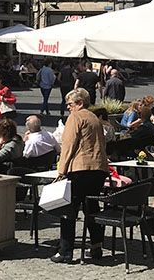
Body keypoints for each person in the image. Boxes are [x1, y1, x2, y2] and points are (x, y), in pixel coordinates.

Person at [54, 88, 108, 264]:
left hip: (79, 168)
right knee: (92, 208)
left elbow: (68, 145)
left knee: (69, 211)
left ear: (79, 103)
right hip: (98, 168)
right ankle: (96, 247)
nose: (68, 107)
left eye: (70, 103)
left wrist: (61, 171)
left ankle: (65, 251)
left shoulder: (75, 118)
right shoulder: (94, 118)